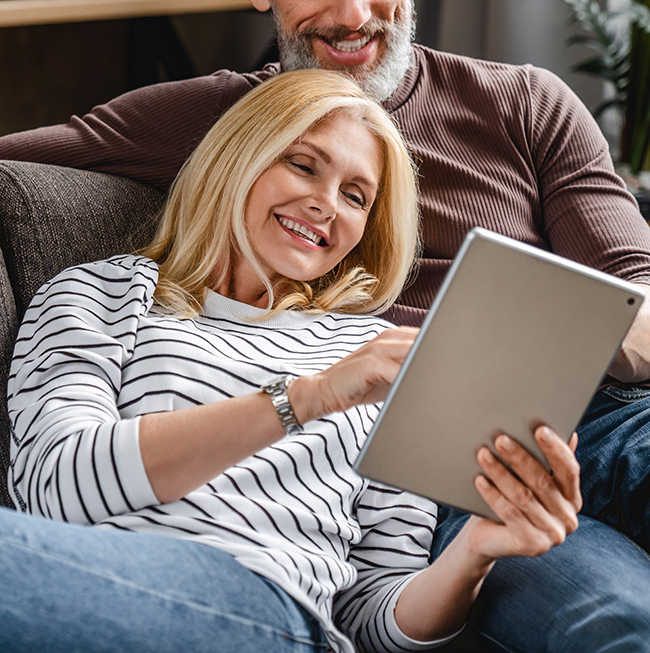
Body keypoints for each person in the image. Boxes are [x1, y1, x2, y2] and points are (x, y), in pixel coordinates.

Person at [2, 0, 650, 650]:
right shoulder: (208, 128)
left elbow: (639, 303)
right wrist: (345, 385)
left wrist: (485, 348)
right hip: (438, 468)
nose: (353, 15)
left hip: (592, 412)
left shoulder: (524, 103)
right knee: (617, 617)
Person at [3, 70, 587, 653]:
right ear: (238, 159)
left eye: (356, 196)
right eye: (304, 165)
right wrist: (307, 398)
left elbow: (373, 618)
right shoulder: (101, 294)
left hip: (265, 610)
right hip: (87, 599)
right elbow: (57, 485)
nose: (326, 204)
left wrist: (476, 549)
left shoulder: (371, 356)